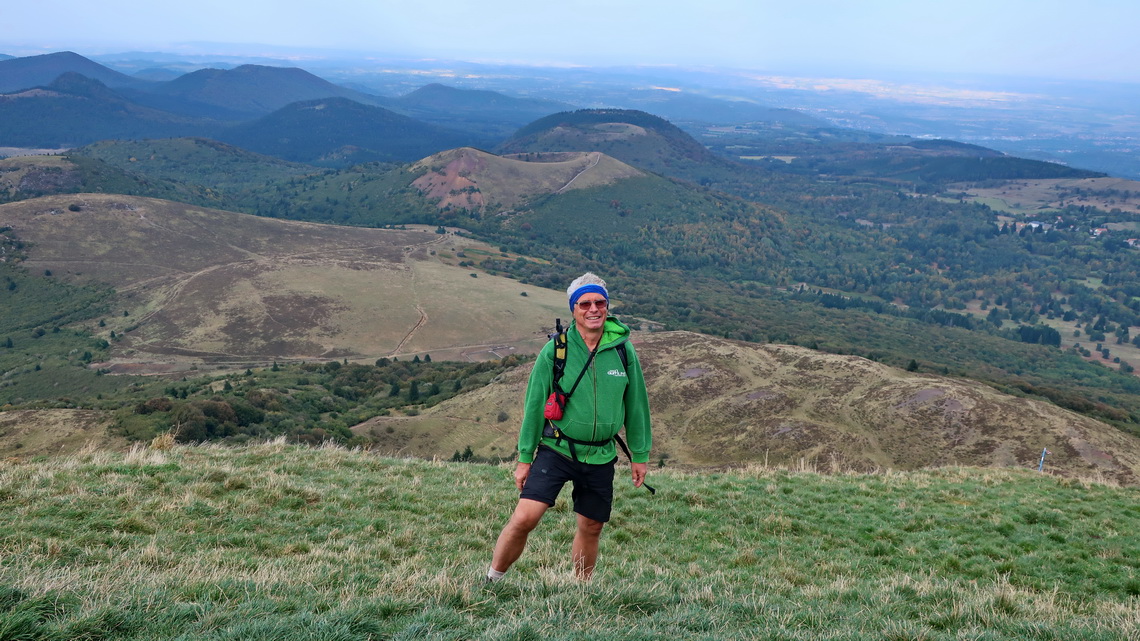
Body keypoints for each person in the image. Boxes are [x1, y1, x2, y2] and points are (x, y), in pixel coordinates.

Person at [486, 272, 652, 582]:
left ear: (608, 307)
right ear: (573, 309)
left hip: (601, 455)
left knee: (592, 526)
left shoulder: (622, 350)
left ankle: (581, 588)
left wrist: (639, 454)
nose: (593, 309)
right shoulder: (556, 350)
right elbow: (535, 406)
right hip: (557, 449)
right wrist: (524, 459)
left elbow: (636, 404)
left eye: (599, 303)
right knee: (525, 518)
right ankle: (492, 580)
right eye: (584, 303)